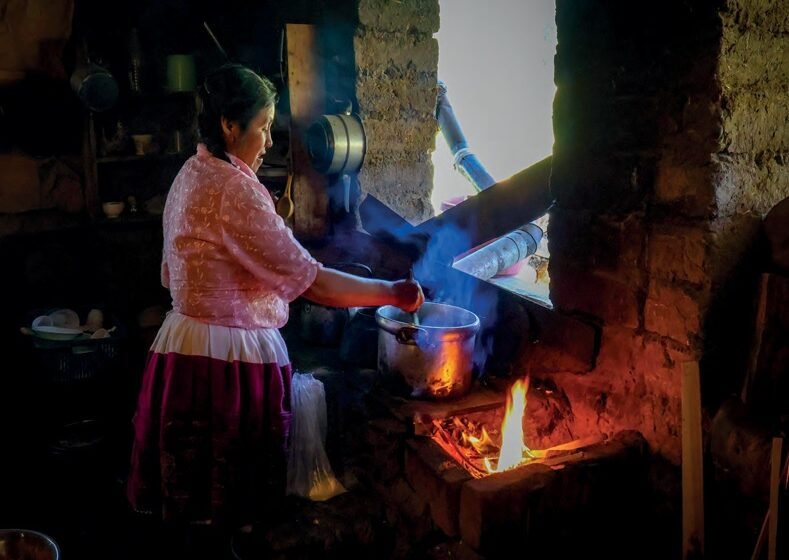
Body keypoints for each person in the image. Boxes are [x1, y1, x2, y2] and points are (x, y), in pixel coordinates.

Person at [125, 63, 423, 555]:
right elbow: (315, 284)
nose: (268, 140)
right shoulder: (236, 190)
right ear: (229, 125)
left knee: (194, 502)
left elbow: (172, 273)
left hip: (182, 346)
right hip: (227, 361)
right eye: (262, 126)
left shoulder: (191, 173)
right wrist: (392, 292)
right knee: (234, 506)